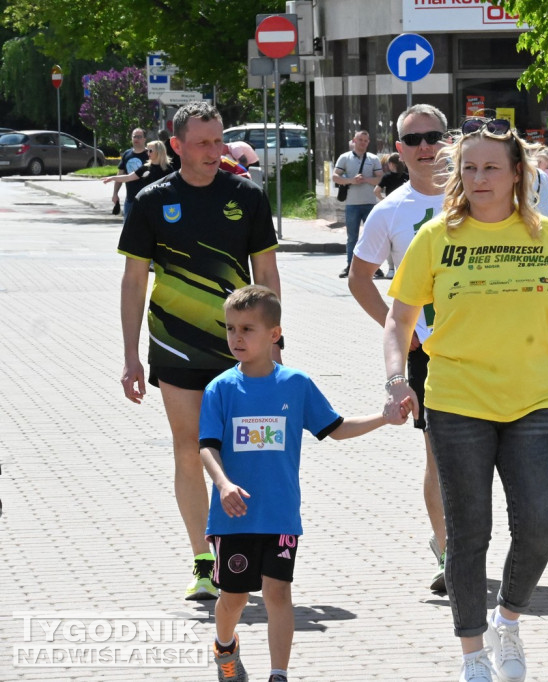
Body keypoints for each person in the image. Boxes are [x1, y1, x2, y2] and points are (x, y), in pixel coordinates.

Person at [381, 116, 548, 682]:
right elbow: (399, 320)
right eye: (469, 167)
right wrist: (397, 380)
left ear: (518, 172)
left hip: (532, 403)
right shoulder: (436, 237)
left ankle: (508, 620)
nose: (479, 177)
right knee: (469, 535)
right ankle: (473, 655)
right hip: (456, 401)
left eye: (492, 167)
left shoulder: (545, 236)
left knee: (538, 527)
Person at [201, 285, 409, 682]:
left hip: (279, 513)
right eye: (230, 329)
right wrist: (224, 484)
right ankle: (225, 648)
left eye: (247, 329)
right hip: (234, 517)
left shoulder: (295, 384)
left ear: (274, 334)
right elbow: (206, 448)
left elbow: (336, 427)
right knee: (234, 598)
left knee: (278, 593)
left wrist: (385, 417)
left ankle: (278, 674)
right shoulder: (221, 389)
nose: (236, 338)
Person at [118, 101, 281, 601]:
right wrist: (131, 357)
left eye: (220, 141)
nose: (215, 151)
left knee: (243, 454)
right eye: (204, 142)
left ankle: (239, 550)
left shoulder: (247, 196)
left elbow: (267, 274)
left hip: (242, 349)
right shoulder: (150, 200)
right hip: (176, 346)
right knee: (189, 449)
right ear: (178, 145)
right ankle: (204, 561)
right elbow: (132, 282)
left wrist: (274, 342)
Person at [348, 103, 450, 592]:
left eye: (434, 136)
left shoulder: (479, 196)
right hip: (428, 351)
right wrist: (399, 330)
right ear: (399, 152)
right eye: (414, 140)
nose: (426, 147)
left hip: (491, 346)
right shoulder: (389, 211)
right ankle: (449, 551)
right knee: (440, 455)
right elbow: (359, 278)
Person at [333, 129, 383, 278]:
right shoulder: (345, 158)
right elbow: (336, 176)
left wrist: (366, 179)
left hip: (370, 203)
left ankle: (374, 267)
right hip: (352, 204)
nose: (363, 143)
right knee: (352, 237)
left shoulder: (373, 159)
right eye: (360, 140)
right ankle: (350, 266)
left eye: (365, 141)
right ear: (354, 141)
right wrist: (351, 180)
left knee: (372, 237)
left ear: (368, 142)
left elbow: (380, 178)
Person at [102, 140, 173, 190]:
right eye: (147, 150)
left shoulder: (169, 168)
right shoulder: (145, 167)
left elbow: (174, 186)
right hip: (150, 203)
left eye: (150, 151)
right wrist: (112, 178)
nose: (148, 153)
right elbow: (128, 177)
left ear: (159, 152)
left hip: (165, 204)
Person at [111, 127, 149, 221]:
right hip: (130, 200)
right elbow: (120, 175)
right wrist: (115, 193)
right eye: (134, 136)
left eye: (139, 137)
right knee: (128, 232)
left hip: (147, 200)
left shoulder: (149, 154)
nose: (136, 139)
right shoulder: (127, 154)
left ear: (144, 139)